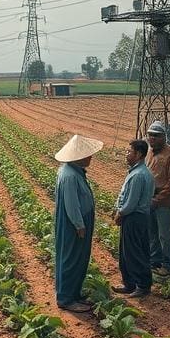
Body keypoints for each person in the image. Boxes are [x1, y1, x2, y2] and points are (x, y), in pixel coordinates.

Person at [53, 134, 104, 313]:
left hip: (76, 222)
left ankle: (74, 293)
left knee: (78, 258)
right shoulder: (70, 176)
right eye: (88, 155)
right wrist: (79, 225)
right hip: (73, 224)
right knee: (71, 258)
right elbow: (72, 203)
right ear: (78, 157)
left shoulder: (72, 171)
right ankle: (66, 299)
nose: (91, 157)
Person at [112, 139, 155, 298]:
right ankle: (129, 283)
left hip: (134, 217)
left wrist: (120, 213)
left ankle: (142, 285)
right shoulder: (139, 172)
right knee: (127, 252)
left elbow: (131, 202)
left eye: (129, 152)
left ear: (138, 154)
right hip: (136, 217)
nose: (126, 154)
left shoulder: (138, 175)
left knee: (134, 252)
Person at [145, 121, 170, 276]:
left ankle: (168, 264)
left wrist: (158, 199)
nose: (152, 138)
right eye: (150, 135)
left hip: (163, 201)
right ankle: (155, 261)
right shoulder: (149, 152)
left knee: (164, 234)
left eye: (156, 136)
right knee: (152, 232)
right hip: (149, 199)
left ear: (164, 137)